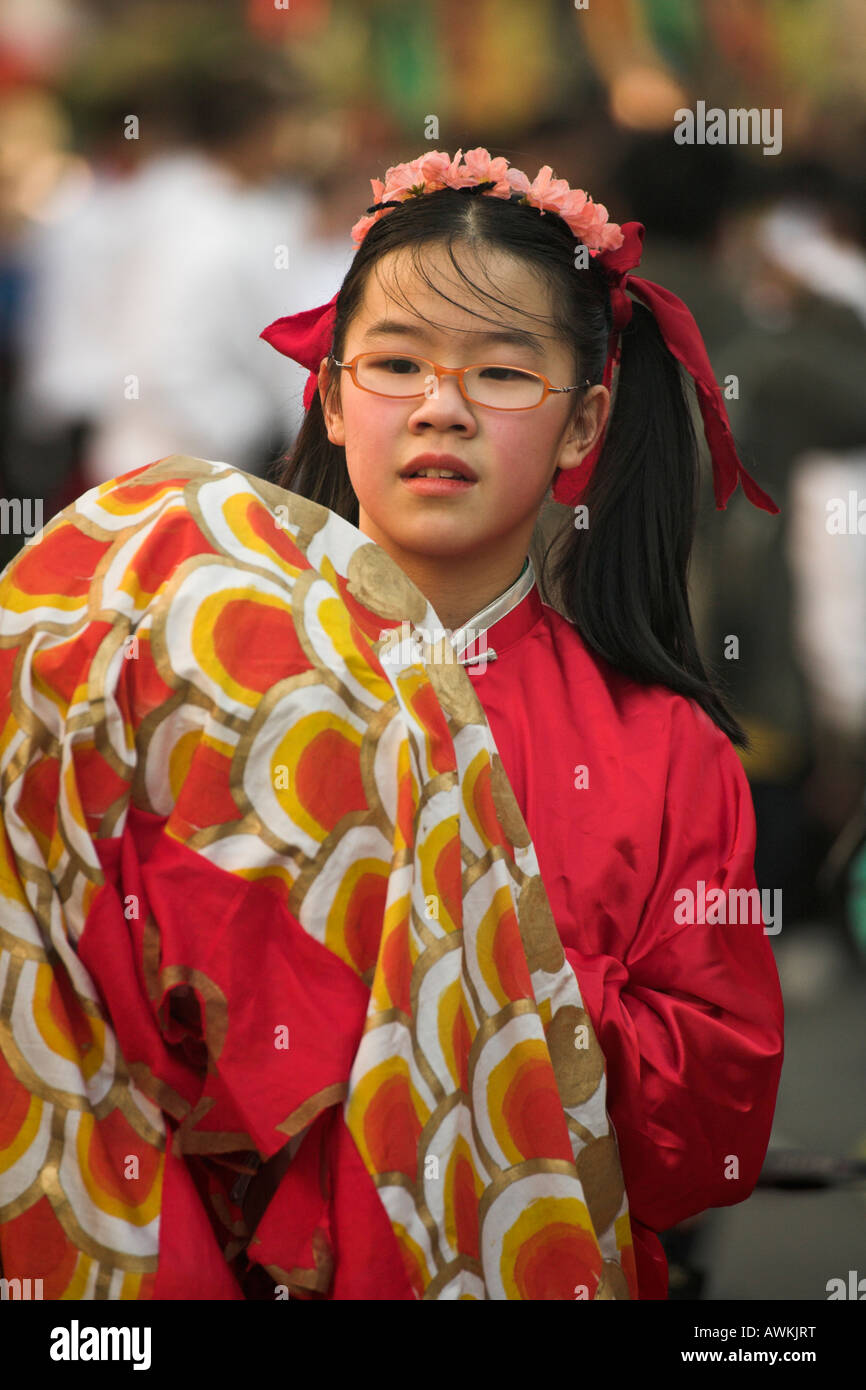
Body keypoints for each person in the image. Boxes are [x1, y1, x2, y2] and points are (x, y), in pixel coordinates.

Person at [0, 147, 784, 1302]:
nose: (440, 407)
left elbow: (713, 1112)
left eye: (503, 374)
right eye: (396, 362)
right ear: (326, 395)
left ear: (583, 425)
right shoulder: (178, 665)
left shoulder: (664, 744)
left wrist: (465, 963)